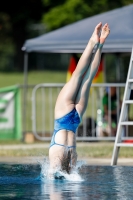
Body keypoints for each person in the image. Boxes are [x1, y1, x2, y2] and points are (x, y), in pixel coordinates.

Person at [48, 22, 110, 176]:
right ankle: (93, 42)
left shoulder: (71, 159)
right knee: (79, 76)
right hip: (63, 121)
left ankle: (100, 43)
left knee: (87, 79)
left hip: (74, 124)